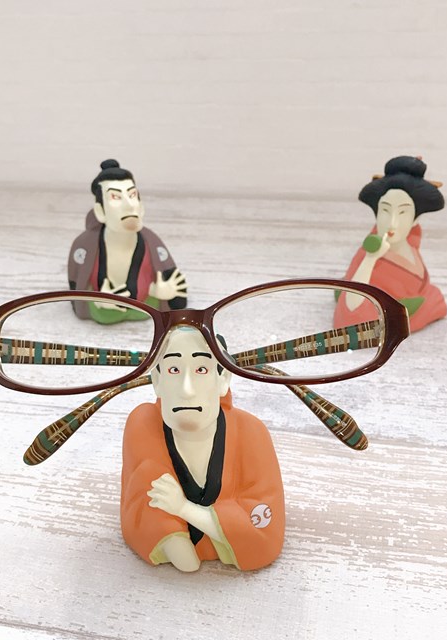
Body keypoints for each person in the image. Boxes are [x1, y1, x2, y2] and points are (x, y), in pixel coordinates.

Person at [120, 327, 285, 572]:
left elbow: (264, 531)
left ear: (223, 379)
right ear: (157, 381)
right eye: (174, 370)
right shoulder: (144, 426)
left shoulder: (251, 432)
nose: (187, 389)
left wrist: (183, 509)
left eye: (201, 370)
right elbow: (140, 501)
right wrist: (172, 536)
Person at [334, 155, 447, 333]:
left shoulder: (412, 247)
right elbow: (351, 320)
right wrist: (370, 259)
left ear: (415, 219)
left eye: (403, 212)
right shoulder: (367, 255)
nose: (392, 223)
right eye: (385, 210)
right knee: (434, 299)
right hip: (377, 316)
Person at [68, 159, 187, 324]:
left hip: (144, 308)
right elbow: (77, 287)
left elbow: (171, 280)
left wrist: (161, 293)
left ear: (141, 207)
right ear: (100, 211)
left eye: (132, 195)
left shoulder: (152, 243)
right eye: (115, 197)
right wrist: (98, 301)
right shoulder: (83, 247)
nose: (129, 205)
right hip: (104, 312)